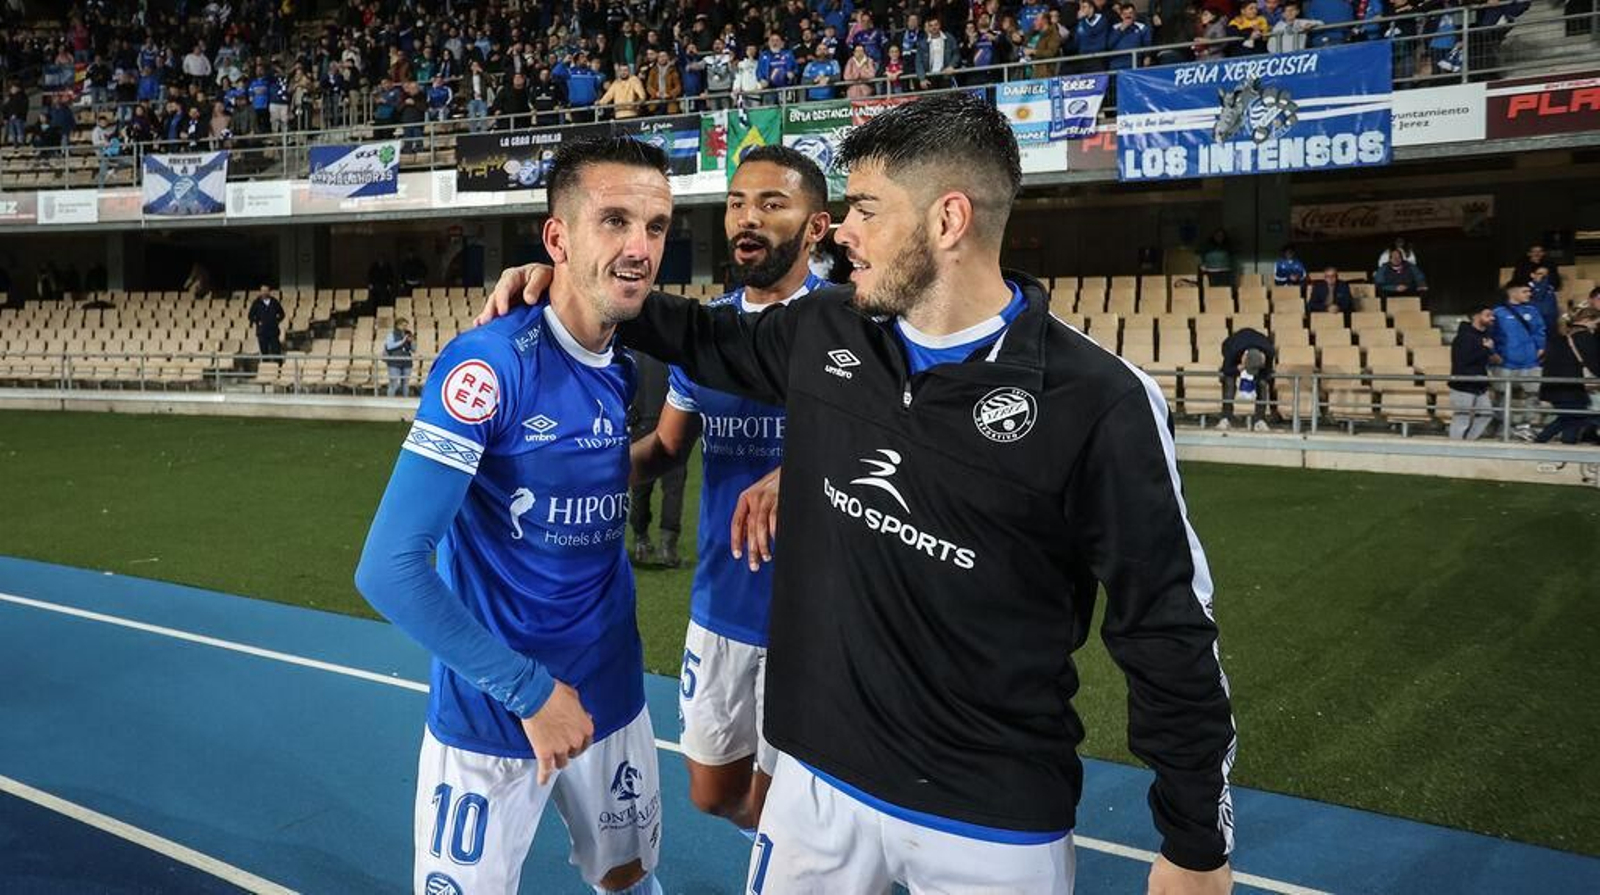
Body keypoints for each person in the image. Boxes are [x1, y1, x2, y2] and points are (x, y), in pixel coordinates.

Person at [478, 93, 1236, 895]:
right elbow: (700, 336)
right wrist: (577, 282)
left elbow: (1165, 628)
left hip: (993, 819)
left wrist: (1195, 844)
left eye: (867, 210)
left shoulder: (1100, 400)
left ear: (948, 221)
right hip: (814, 789)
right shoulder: (831, 330)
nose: (841, 231)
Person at [354, 137, 672, 895]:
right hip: (496, 710)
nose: (640, 248)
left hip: (612, 692)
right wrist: (530, 692)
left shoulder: (634, 351)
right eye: (615, 221)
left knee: (627, 875)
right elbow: (390, 567)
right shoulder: (488, 365)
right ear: (557, 237)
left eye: (657, 226)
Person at [628, 144, 832, 837]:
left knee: (787, 812)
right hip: (721, 601)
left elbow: (901, 444)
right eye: (738, 202)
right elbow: (663, 449)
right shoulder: (709, 332)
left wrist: (801, 469)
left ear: (817, 228)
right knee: (714, 793)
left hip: (813, 612)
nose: (748, 218)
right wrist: (569, 474)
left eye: (773, 204)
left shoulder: (851, 328)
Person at [626, 350, 687, 566]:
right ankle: (667, 547)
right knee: (674, 485)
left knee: (641, 487)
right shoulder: (673, 346)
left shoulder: (632, 348)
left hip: (642, 420)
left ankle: (641, 540)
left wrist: (630, 410)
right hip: (673, 419)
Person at [1532, 308, 1600, 444]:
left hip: (1555, 386)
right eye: (1597, 323)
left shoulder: (1561, 335)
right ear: (1587, 320)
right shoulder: (1584, 337)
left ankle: (1566, 444)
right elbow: (1594, 362)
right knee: (1577, 417)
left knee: (1571, 418)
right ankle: (1540, 440)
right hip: (1570, 387)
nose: (1597, 327)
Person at [1492, 284, 1547, 441]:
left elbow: (1540, 330)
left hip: (1530, 362)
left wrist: (1540, 346)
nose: (1529, 294)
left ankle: (1526, 427)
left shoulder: (1533, 311)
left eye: (1529, 291)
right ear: (1512, 292)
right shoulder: (1498, 313)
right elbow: (1492, 335)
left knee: (1532, 396)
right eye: (1525, 291)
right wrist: (1495, 354)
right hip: (1506, 363)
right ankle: (1504, 427)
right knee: (1503, 397)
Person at [1448, 305, 1499, 440]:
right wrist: (1486, 349)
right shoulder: (1464, 337)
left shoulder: (1484, 336)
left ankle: (1469, 442)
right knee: (1462, 418)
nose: (1492, 318)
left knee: (1486, 414)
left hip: (1479, 384)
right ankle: (1455, 448)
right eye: (1488, 315)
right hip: (1463, 384)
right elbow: (1464, 360)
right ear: (1476, 316)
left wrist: (1489, 352)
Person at [1218, 328, 1275, 431]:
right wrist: (1238, 368)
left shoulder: (1269, 351)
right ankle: (1226, 418)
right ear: (1243, 358)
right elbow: (1226, 370)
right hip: (1235, 348)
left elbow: (1268, 373)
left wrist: (1262, 375)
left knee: (1262, 383)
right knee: (1228, 381)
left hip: (1256, 348)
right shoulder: (1232, 349)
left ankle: (1260, 420)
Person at [248, 285, 285, 359]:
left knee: (276, 352)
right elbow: (250, 316)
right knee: (264, 353)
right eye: (262, 291)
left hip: (273, 332)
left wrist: (276, 321)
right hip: (262, 332)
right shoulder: (256, 302)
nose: (264, 293)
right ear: (260, 292)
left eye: (266, 291)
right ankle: (266, 367)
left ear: (269, 292)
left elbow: (282, 314)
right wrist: (257, 321)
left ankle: (278, 367)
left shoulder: (274, 302)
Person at [384, 316, 415, 397]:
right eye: (403, 325)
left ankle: (406, 401)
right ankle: (389, 402)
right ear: (397, 325)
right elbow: (389, 346)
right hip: (394, 362)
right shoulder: (391, 334)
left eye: (406, 326)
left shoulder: (408, 334)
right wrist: (402, 341)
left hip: (407, 362)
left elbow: (413, 350)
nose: (405, 327)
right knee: (394, 383)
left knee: (405, 384)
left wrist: (412, 342)